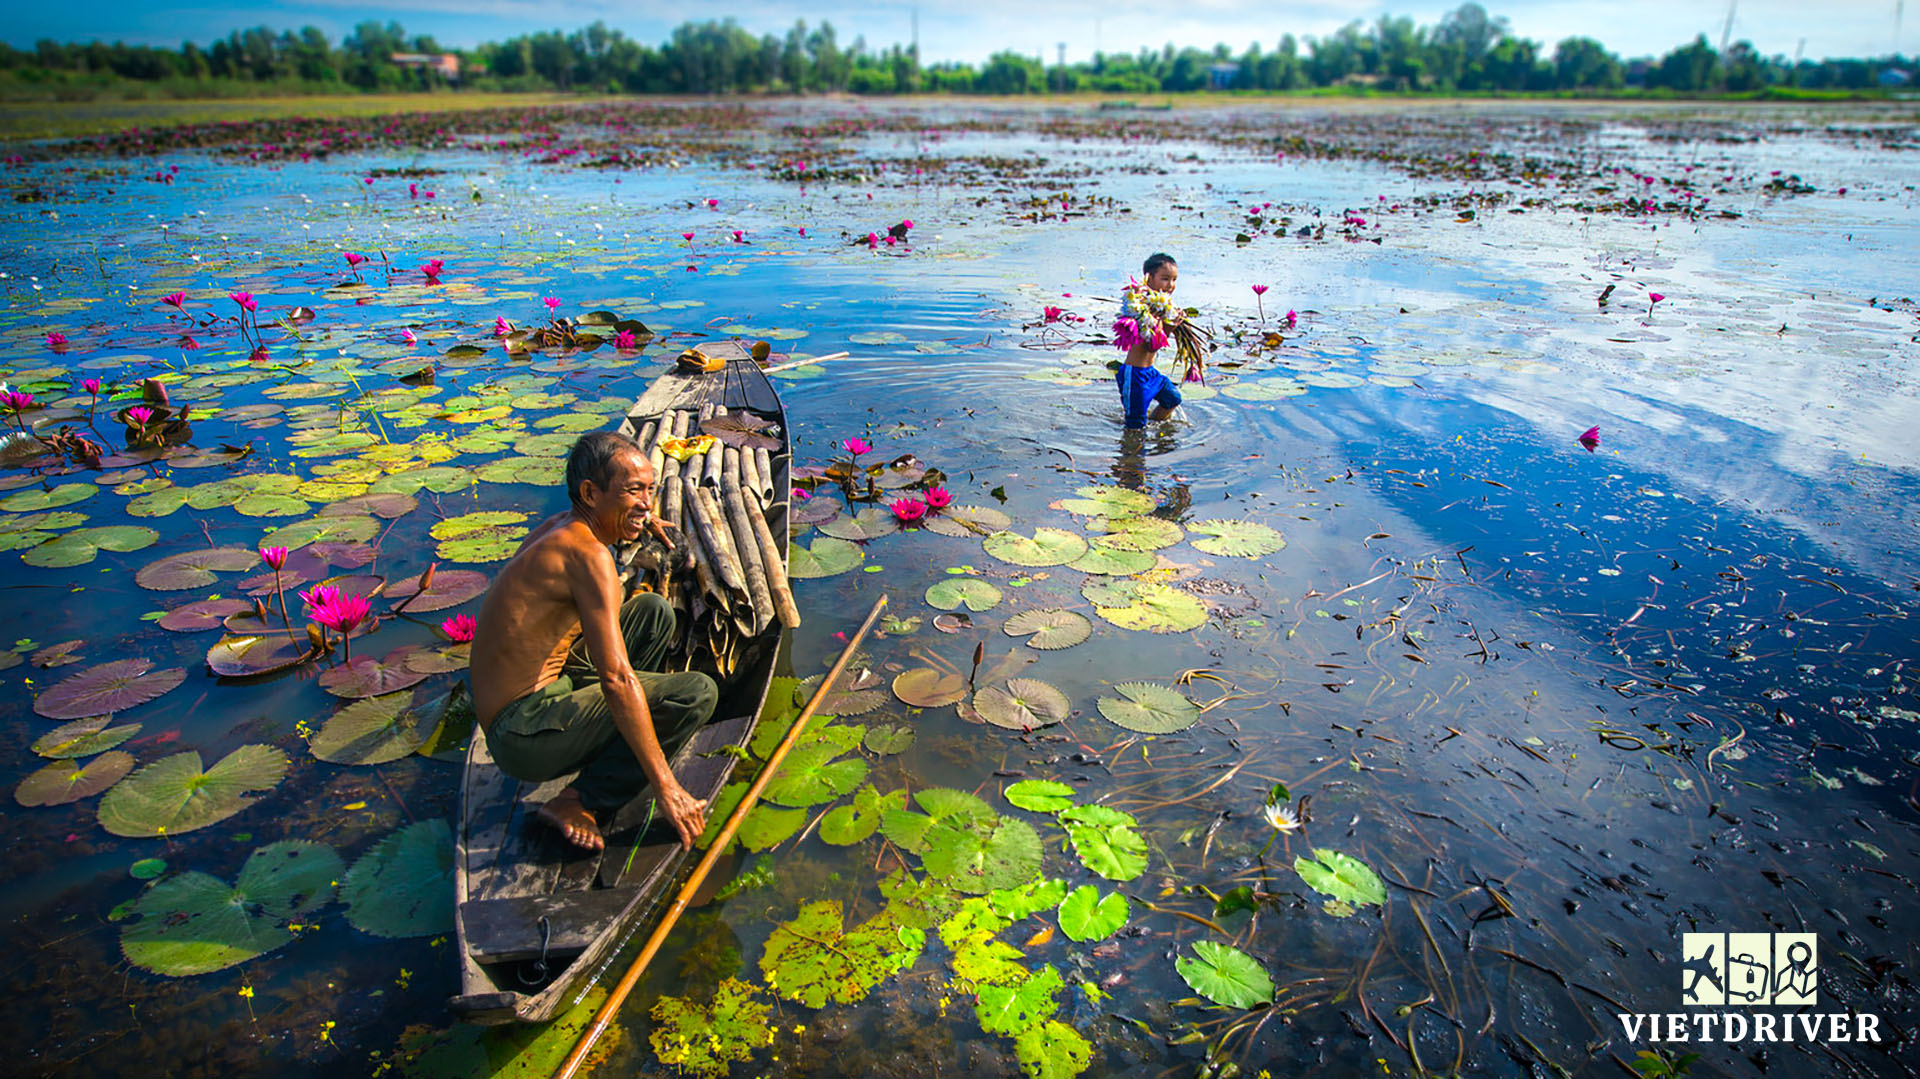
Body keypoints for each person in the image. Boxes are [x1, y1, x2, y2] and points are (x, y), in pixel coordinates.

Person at [469, 431, 719, 852]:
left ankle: (622, 741)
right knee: (696, 693)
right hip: (522, 733)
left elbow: (619, 518)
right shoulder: (589, 556)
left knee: (653, 612)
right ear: (590, 492)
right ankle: (580, 799)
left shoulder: (561, 527)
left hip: (532, 696)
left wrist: (643, 517)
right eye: (632, 492)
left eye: (650, 491)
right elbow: (617, 679)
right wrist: (666, 786)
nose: (645, 502)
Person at [1114, 252, 1183, 428]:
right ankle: (1132, 452)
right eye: (1165, 279)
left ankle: (1154, 425)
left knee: (1172, 399)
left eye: (1174, 280)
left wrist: (1171, 323)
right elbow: (1153, 344)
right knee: (1135, 426)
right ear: (1149, 278)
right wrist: (1170, 327)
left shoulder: (1160, 306)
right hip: (1135, 376)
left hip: (1150, 372)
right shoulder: (1140, 307)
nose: (1170, 285)